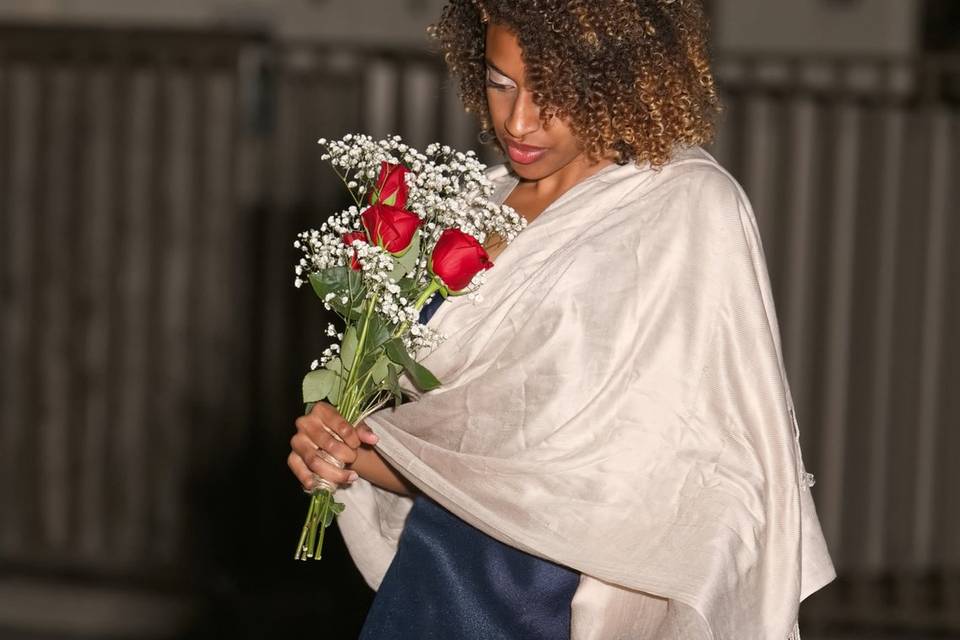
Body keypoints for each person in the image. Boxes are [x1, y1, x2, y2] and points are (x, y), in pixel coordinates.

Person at [288, 1, 835, 638]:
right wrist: (346, 451)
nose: (519, 119)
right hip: (431, 593)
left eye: (556, 91)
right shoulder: (472, 205)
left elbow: (692, 470)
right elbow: (462, 460)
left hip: (552, 609)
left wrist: (402, 459)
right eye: (501, 82)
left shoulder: (683, 207)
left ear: (622, 77)